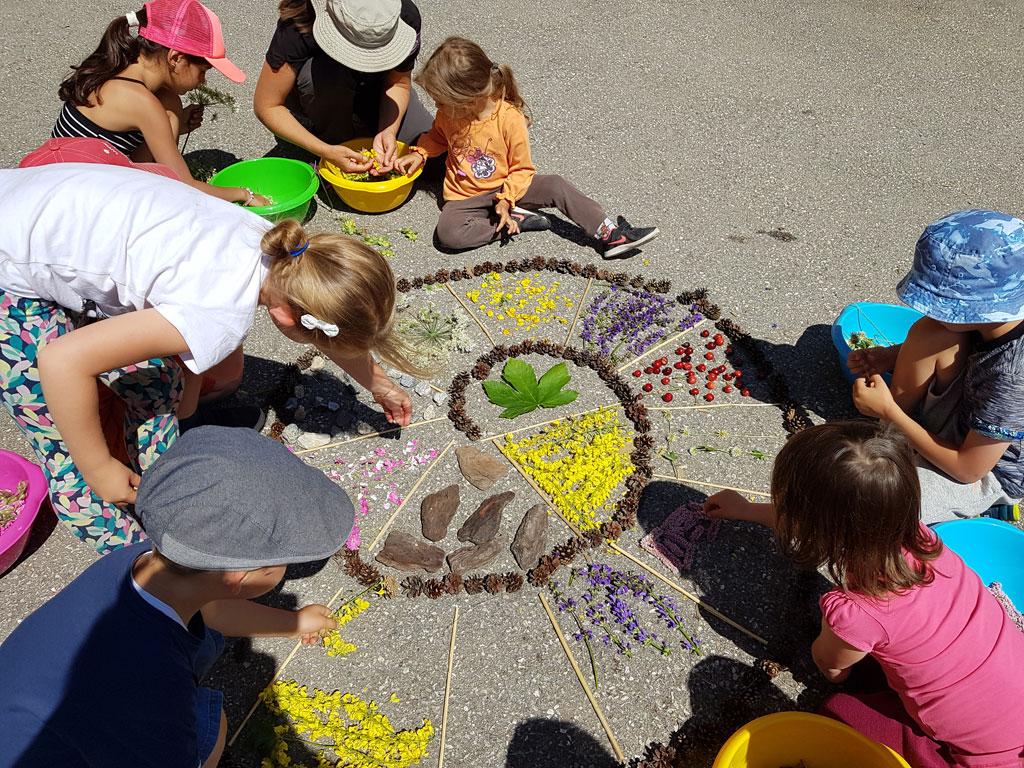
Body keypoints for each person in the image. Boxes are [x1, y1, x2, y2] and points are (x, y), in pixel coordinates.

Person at [0, 162, 416, 554]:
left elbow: (313, 316)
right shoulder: (217, 313)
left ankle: (161, 465)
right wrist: (97, 465)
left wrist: (378, 382)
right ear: (289, 317)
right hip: (10, 276)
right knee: (69, 456)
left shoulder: (282, 246)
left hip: (31, 205)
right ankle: (142, 563)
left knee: (163, 384)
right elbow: (60, 361)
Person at [0, 426, 354, 768]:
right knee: (210, 730)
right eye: (283, 561)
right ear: (239, 577)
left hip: (36, 714)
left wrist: (294, 622)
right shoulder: (154, 685)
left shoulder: (149, 558)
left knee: (205, 641)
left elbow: (214, 608)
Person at [705, 421, 1024, 768]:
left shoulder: (857, 613)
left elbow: (830, 665)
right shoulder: (924, 541)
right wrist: (748, 510)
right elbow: (811, 523)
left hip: (989, 761)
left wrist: (840, 659)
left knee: (839, 710)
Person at [395, 37, 659, 259]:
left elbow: (521, 170)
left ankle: (609, 233)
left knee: (555, 185)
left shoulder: (509, 119)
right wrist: (420, 153)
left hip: (510, 187)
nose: (436, 107)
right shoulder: (449, 115)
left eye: (440, 101)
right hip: (464, 197)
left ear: (468, 99)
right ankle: (514, 222)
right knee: (448, 234)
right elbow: (438, 138)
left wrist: (506, 199)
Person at [848, 210, 1024, 524]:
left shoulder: (1012, 375)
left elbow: (968, 468)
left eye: (944, 306)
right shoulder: (998, 317)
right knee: (930, 332)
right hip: (972, 409)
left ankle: (984, 506)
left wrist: (890, 411)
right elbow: (954, 336)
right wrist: (892, 356)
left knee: (870, 507)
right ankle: (890, 438)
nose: (930, 311)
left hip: (987, 468)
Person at [54, 0, 270, 206]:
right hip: (75, 199)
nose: (203, 81)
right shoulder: (143, 102)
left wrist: (173, 125)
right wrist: (244, 194)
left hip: (59, 174)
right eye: (203, 71)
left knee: (170, 105)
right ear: (175, 58)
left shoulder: (118, 65)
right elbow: (185, 186)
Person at [254, 0, 433, 175]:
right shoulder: (301, 17)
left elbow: (399, 83)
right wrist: (326, 150)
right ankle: (331, 135)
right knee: (322, 75)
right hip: (325, 86)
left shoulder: (404, 16)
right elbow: (267, 105)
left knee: (429, 155)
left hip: (374, 89)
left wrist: (388, 130)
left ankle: (359, 127)